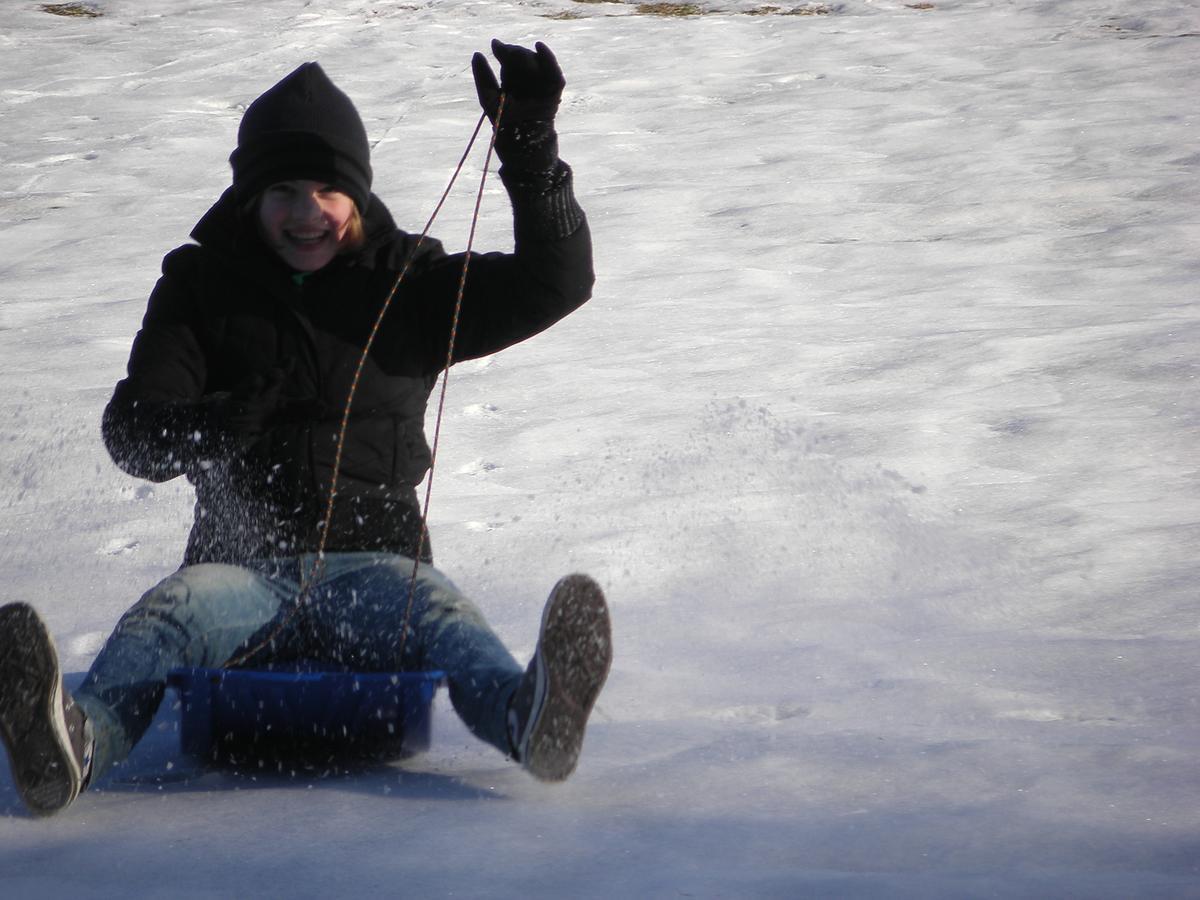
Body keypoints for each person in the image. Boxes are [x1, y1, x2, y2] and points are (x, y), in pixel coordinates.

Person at [0, 40, 612, 818]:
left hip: (377, 569)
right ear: (249, 200)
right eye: (282, 190)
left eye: (328, 188)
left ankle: (531, 721)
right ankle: (77, 743)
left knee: (444, 618)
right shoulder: (201, 290)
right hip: (242, 573)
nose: (306, 211)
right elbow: (133, 434)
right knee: (167, 616)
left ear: (357, 196)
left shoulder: (409, 284)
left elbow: (556, 283)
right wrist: (209, 427)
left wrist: (528, 152)